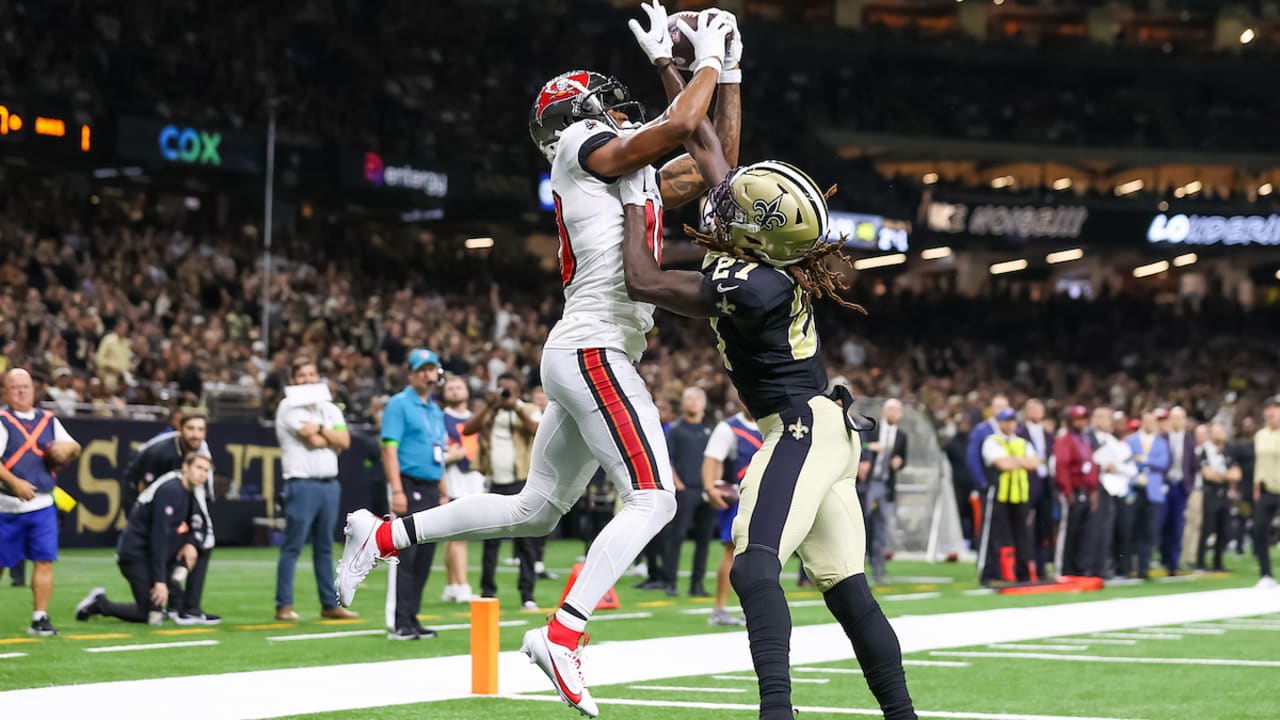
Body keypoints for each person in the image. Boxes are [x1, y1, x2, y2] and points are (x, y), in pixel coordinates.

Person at [335, 4, 740, 715]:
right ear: (580, 113)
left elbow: (720, 170)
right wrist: (694, 61)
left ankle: (386, 534)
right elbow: (678, 125)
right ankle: (563, 633)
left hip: (587, 351)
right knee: (655, 498)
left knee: (535, 508)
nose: (619, 111)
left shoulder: (626, 168)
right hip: (594, 349)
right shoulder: (578, 146)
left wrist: (727, 72)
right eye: (605, 104)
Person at [615, 34, 915, 715]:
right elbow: (706, 149)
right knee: (846, 590)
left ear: (757, 236)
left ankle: (776, 711)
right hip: (824, 428)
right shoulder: (764, 258)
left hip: (802, 428)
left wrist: (635, 193)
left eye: (742, 211)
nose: (729, 203)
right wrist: (684, 68)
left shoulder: (757, 290)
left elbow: (641, 278)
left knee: (754, 568)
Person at [75, 452, 211, 625]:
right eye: (199, 467)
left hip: (151, 554)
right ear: (185, 467)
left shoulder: (191, 493)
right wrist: (160, 581)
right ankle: (99, 604)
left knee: (158, 612)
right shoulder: (171, 491)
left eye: (206, 470)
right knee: (148, 615)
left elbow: (197, 525)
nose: (202, 474)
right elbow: (159, 536)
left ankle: (174, 608)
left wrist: (191, 544)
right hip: (134, 555)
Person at [274, 356, 357, 622]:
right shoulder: (289, 406)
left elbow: (343, 440)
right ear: (293, 381)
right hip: (302, 482)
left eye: (312, 374)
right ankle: (283, 605)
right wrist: (327, 437)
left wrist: (323, 430)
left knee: (325, 547)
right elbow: (314, 440)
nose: (308, 380)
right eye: (302, 376)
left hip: (329, 484)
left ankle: (330, 604)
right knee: (293, 546)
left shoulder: (328, 408)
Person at [0, 368, 81, 636]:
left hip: (43, 504)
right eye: (15, 387)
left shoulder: (48, 420)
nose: (22, 391)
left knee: (44, 560)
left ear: (34, 390)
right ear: (5, 392)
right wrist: (15, 482)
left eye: (26, 386)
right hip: (6, 506)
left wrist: (67, 449)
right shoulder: (2, 419)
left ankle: (40, 617)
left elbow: (74, 447)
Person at [122, 410, 218, 623]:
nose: (196, 434)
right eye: (191, 428)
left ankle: (186, 606)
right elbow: (140, 486)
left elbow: (203, 497)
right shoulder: (161, 454)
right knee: (150, 612)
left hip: (170, 512)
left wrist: (192, 539)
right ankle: (173, 595)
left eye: (201, 429)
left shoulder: (201, 452)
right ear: (179, 429)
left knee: (200, 540)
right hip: (143, 523)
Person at [381, 348, 449, 638]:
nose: (426, 374)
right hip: (408, 484)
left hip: (431, 487)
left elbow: (440, 453)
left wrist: (444, 489)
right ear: (410, 373)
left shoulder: (434, 409)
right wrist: (397, 489)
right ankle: (400, 621)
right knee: (407, 556)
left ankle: (412, 615)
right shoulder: (399, 404)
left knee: (425, 556)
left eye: (431, 368)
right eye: (421, 369)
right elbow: (389, 448)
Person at [467, 372, 542, 610]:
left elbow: (537, 431)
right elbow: (469, 429)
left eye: (509, 389)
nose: (505, 393)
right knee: (491, 538)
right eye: (501, 388)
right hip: (496, 481)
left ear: (518, 391)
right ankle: (487, 591)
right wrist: (491, 406)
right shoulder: (491, 411)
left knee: (525, 540)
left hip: (522, 480)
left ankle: (527, 594)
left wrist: (515, 408)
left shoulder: (528, 409)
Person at [701, 394, 759, 626]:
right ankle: (720, 608)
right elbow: (712, 459)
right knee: (732, 552)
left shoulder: (773, 425)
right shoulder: (729, 428)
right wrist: (709, 489)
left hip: (764, 496)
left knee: (760, 554)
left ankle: (750, 607)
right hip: (737, 497)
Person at [659, 386, 716, 598]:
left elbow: (717, 459)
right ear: (683, 404)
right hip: (685, 489)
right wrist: (677, 483)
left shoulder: (712, 430)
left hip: (707, 489)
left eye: (697, 399)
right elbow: (667, 459)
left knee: (704, 539)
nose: (693, 402)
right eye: (689, 399)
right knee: (677, 536)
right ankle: (670, 582)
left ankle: (697, 584)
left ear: (703, 404)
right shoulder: (674, 429)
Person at [980, 408, 1041, 583]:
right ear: (999, 423)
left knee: (1022, 535)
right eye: (1006, 421)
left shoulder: (1021, 442)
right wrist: (1021, 461)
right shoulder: (992, 441)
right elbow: (1003, 464)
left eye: (1012, 420)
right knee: (995, 535)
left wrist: (1014, 461)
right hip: (999, 494)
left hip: (1019, 495)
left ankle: (1023, 574)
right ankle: (991, 573)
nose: (1009, 424)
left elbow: (1035, 463)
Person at [440, 375, 483, 604]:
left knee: (453, 538)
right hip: (452, 482)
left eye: (459, 387)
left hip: (473, 482)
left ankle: (452, 585)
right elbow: (436, 452)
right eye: (450, 388)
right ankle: (462, 585)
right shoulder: (441, 419)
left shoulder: (475, 419)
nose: (455, 391)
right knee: (459, 536)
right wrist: (450, 456)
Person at [859, 398, 908, 584]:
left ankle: (878, 570)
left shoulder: (902, 436)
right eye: (891, 409)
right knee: (861, 526)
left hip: (886, 485)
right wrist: (871, 447)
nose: (894, 413)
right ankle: (857, 569)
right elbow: (859, 444)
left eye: (897, 409)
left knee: (881, 529)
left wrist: (899, 463)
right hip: (868, 484)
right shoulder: (870, 428)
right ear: (883, 411)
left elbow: (903, 460)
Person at [1126, 411, 1171, 580]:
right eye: (1147, 421)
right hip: (1135, 488)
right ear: (1142, 422)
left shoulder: (1161, 442)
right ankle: (1129, 567)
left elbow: (1163, 463)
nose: (1150, 424)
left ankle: (1144, 568)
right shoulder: (1131, 440)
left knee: (1149, 531)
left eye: (1153, 421)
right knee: (1131, 528)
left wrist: (1143, 459)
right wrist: (1147, 460)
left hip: (1153, 491)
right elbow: (1127, 459)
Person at [1054, 405, 1098, 577]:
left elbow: (1092, 465)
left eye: (1084, 418)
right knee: (1068, 531)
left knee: (1083, 531)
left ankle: (1080, 567)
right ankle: (1065, 568)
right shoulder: (1065, 440)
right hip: (1072, 491)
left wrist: (1093, 489)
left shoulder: (1085, 440)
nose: (1082, 422)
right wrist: (1067, 491)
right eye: (1078, 419)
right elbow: (1062, 467)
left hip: (1085, 491)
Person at [1017, 399, 1055, 578]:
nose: (1036, 412)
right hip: (1027, 484)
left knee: (1043, 528)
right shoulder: (1020, 433)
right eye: (1031, 408)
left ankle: (1041, 567)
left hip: (1045, 485)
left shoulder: (1048, 434)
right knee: (1023, 527)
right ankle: (1023, 566)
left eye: (1039, 408)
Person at [1196, 423, 1240, 572]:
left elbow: (1237, 474)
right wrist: (1226, 476)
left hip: (1225, 495)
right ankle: (1200, 562)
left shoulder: (1228, 451)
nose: (1221, 434)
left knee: (1224, 529)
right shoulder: (1205, 450)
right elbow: (1207, 474)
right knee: (1207, 528)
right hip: (1210, 493)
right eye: (1217, 431)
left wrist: (1220, 476)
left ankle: (1218, 563)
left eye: (1222, 431)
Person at [1159, 407, 1197, 575]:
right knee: (1161, 523)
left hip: (1180, 486)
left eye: (1180, 418)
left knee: (1177, 525)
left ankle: (1173, 563)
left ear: (1184, 420)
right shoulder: (1162, 438)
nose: (1177, 421)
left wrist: (1189, 486)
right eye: (1174, 418)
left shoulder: (1189, 440)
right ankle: (1163, 557)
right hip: (1163, 486)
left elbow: (1194, 466)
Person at [1253, 399, 1280, 588]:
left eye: (1275, 413)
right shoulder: (1260, 435)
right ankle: (1266, 575)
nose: (1271, 416)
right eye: (1268, 413)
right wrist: (1256, 487)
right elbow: (1259, 463)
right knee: (1259, 530)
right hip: (1266, 490)